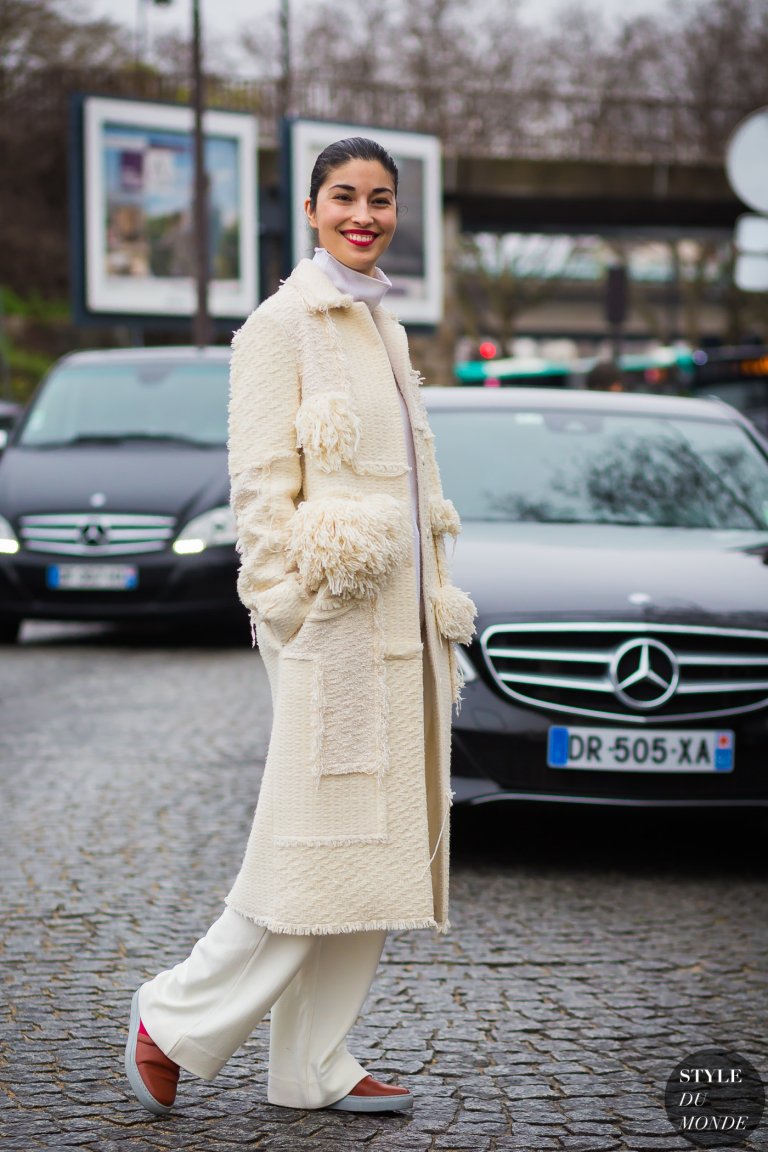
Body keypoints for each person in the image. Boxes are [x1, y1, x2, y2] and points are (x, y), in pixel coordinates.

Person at [124, 136, 476, 1118]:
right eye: (344, 197)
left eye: (381, 199)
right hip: (329, 631)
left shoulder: (388, 330)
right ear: (312, 208)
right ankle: (175, 1014)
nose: (365, 214)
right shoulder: (277, 327)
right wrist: (290, 609)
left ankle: (312, 1063)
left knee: (375, 850)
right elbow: (259, 487)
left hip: (401, 632)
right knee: (312, 841)